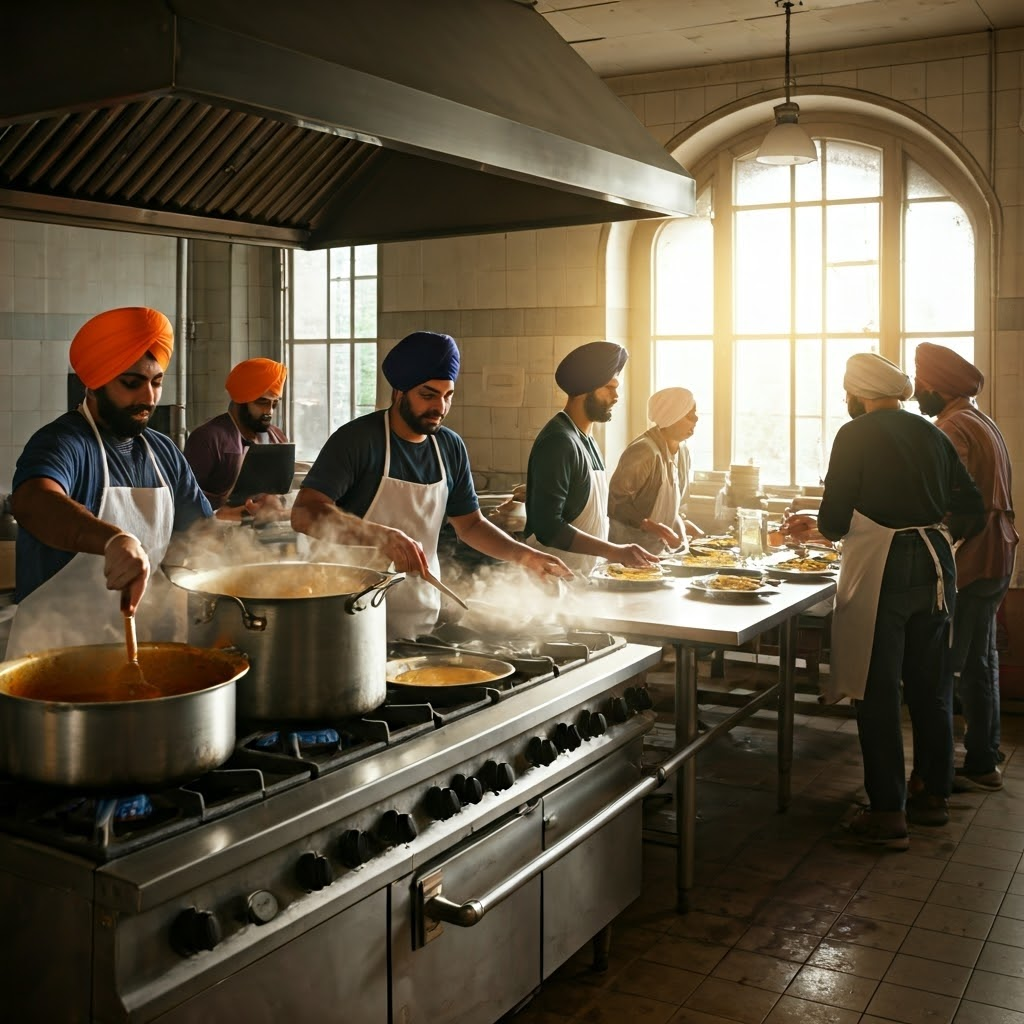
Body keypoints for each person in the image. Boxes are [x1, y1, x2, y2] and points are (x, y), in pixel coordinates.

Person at [783, 352, 984, 850]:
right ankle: (931, 795)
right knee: (931, 688)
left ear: (857, 393)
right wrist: (935, 535)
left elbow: (833, 522)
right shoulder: (934, 433)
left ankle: (888, 812)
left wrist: (842, 528)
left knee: (877, 691)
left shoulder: (855, 435)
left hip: (884, 571)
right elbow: (972, 508)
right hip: (937, 567)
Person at [291, 331, 570, 639]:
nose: (440, 406)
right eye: (428, 395)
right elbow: (304, 513)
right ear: (400, 392)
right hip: (348, 616)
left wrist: (525, 556)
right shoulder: (357, 441)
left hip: (419, 614)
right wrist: (378, 535)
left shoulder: (449, 447)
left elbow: (471, 526)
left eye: (447, 395)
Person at [7, 307, 214, 658]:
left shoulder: (162, 451)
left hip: (146, 647)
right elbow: (32, 501)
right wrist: (113, 539)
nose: (148, 398)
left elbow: (200, 535)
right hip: (57, 657)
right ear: (95, 381)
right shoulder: (64, 442)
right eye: (131, 384)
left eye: (157, 382)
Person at [914, 343, 1018, 792]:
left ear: (937, 387)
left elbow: (945, 497)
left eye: (922, 386)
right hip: (1000, 552)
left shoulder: (952, 426)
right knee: (981, 660)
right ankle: (983, 756)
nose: (918, 394)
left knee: (945, 666)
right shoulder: (981, 419)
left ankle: (937, 777)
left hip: (974, 557)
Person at [524, 341, 661, 575]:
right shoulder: (559, 441)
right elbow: (548, 528)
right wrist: (614, 551)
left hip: (581, 577)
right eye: (609, 387)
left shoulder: (587, 440)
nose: (616, 396)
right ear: (586, 389)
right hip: (549, 581)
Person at [184, 357, 290, 520]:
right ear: (241, 400)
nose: (269, 411)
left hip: (263, 533)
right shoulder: (207, 439)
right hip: (215, 536)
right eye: (262, 402)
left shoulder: (276, 436)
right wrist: (232, 511)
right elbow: (184, 501)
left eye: (274, 404)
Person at [608, 386, 703, 553]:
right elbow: (616, 505)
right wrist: (656, 529)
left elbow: (671, 510)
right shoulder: (644, 452)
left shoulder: (683, 453)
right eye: (690, 415)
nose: (696, 419)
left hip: (661, 552)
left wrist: (683, 530)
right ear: (671, 418)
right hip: (630, 552)